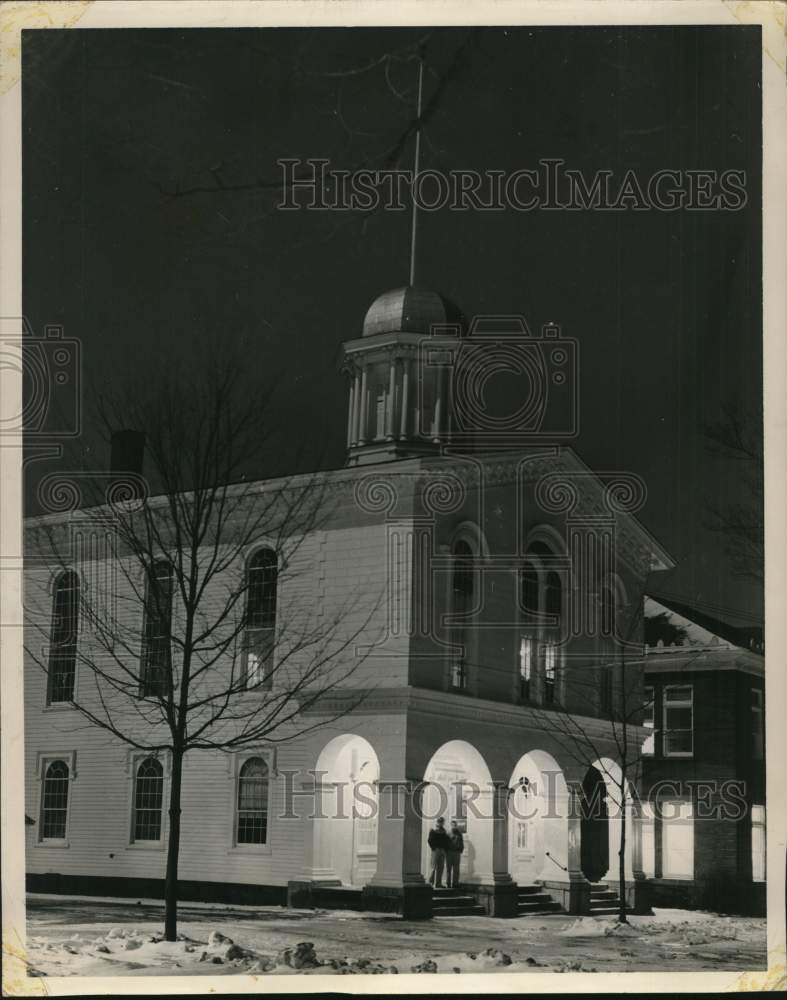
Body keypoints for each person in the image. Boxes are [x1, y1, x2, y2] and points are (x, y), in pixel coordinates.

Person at [427, 817, 451, 888]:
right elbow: (430, 840)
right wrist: (433, 848)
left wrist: (445, 849)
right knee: (433, 867)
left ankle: (438, 883)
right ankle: (431, 882)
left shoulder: (444, 831)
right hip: (436, 850)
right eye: (440, 822)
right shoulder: (433, 830)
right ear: (438, 822)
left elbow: (446, 841)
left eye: (442, 822)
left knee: (441, 867)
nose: (441, 823)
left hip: (442, 850)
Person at [446, 820, 464, 888]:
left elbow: (461, 842)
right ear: (451, 825)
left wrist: (461, 849)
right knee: (449, 868)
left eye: (455, 825)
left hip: (457, 852)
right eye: (453, 825)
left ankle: (455, 883)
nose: (454, 826)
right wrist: (446, 851)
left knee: (456, 869)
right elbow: (446, 843)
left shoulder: (459, 834)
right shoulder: (448, 833)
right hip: (449, 852)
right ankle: (448, 883)